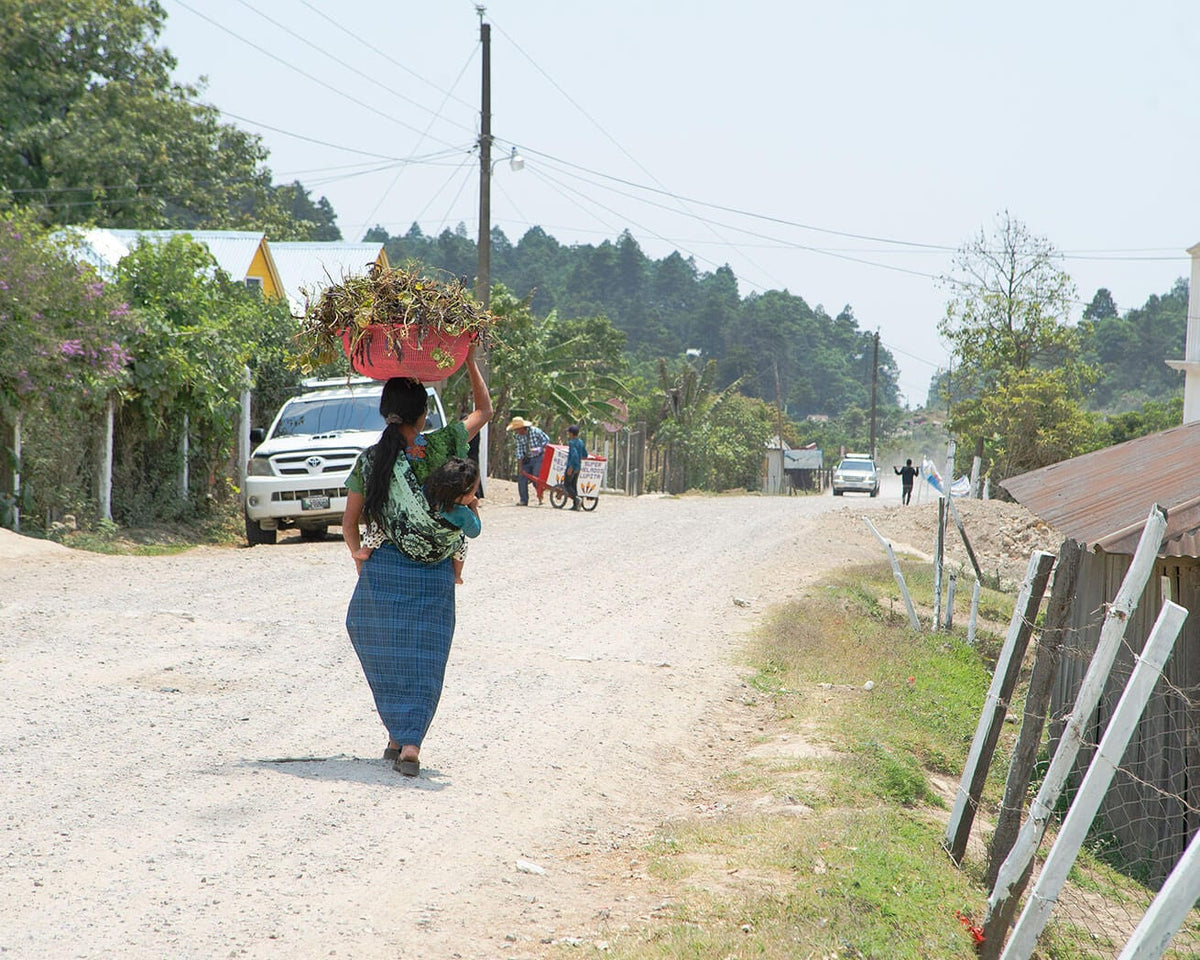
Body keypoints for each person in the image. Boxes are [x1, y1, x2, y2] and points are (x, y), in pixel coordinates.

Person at [341, 344, 492, 777]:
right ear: (423, 416)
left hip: (386, 568)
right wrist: (468, 360)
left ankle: (398, 733)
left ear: (385, 411)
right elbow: (484, 409)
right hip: (435, 574)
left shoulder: (370, 460)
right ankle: (407, 742)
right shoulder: (443, 444)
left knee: (385, 647)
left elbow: (350, 523)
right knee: (425, 655)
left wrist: (359, 558)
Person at [423, 457, 482, 584]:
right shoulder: (462, 513)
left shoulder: (427, 493)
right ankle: (457, 575)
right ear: (466, 495)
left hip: (422, 532)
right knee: (462, 543)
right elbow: (475, 532)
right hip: (442, 544)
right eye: (474, 492)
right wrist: (473, 507)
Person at [505, 416, 550, 506]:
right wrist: (520, 467)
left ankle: (540, 497)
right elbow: (519, 451)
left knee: (536, 478)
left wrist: (540, 449)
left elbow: (546, 440)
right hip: (527, 459)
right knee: (522, 479)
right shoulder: (518, 437)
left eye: (517, 429)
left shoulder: (535, 431)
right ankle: (523, 500)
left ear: (522, 428)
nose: (516, 431)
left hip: (538, 458)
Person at [563, 424, 588, 510]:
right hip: (578, 467)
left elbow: (574, 455)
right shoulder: (581, 442)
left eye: (569, 433)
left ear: (572, 434)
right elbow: (585, 454)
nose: (568, 435)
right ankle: (575, 505)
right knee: (573, 485)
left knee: (566, 485)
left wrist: (570, 467)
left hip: (572, 467)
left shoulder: (571, 442)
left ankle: (576, 498)